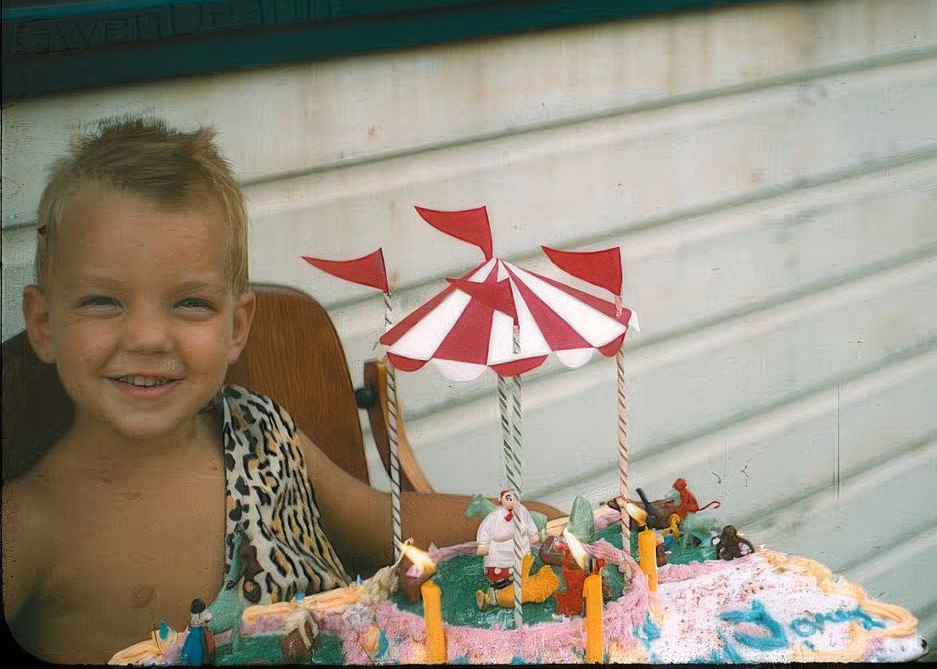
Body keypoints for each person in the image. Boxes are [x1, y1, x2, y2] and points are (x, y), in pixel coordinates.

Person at [0, 117, 561, 664]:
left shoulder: (261, 432)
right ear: (44, 324)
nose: (148, 337)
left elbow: (379, 520)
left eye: (190, 302)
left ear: (236, 328)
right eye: (103, 301)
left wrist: (521, 518)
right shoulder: (29, 521)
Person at [475, 488, 540, 590]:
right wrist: (484, 544)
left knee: (520, 565)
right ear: (501, 500)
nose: (511, 501)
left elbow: (529, 523)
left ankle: (515, 580)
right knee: (497, 568)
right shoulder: (494, 516)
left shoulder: (522, 511)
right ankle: (499, 584)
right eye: (508, 498)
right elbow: (485, 529)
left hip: (519, 545)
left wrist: (533, 534)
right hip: (499, 548)